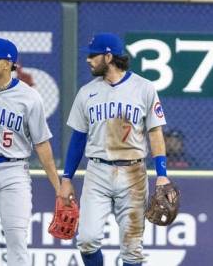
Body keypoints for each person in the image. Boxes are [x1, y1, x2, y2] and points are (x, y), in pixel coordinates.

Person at [58, 32, 172, 266]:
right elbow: (78, 138)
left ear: (108, 57)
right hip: (97, 172)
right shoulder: (86, 92)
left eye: (93, 55)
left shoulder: (144, 88)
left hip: (133, 174)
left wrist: (162, 175)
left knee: (132, 249)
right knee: (87, 240)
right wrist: (66, 178)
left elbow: (155, 133)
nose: (88, 60)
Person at [0, 38, 61, 266]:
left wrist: (58, 187)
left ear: (9, 63)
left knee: (17, 238)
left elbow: (42, 144)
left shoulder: (30, 97)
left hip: (14, 170)